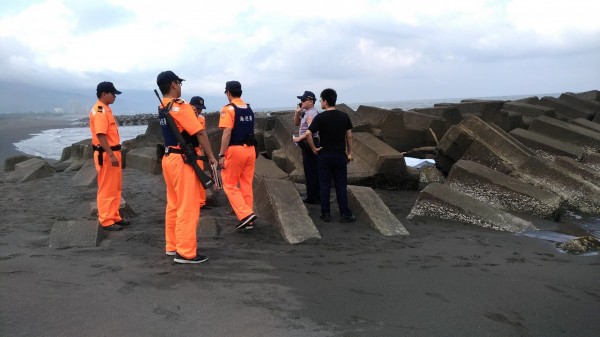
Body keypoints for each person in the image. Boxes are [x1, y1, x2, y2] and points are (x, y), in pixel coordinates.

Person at [157, 71, 217, 264]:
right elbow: (200, 134)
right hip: (182, 161)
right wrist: (211, 157)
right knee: (188, 206)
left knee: (173, 205)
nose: (180, 86)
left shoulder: (163, 106)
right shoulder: (180, 107)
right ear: (174, 84)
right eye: (179, 83)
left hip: (169, 158)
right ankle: (185, 252)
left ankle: (172, 245)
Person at [305, 88, 356, 223]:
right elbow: (349, 137)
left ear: (325, 102)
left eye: (321, 100)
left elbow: (308, 133)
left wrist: (314, 149)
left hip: (324, 155)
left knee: (324, 185)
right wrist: (349, 153)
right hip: (340, 156)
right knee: (341, 185)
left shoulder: (320, 117)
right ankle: (345, 214)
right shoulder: (344, 116)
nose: (321, 102)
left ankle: (325, 214)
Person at [89, 81, 129, 231]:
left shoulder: (105, 109)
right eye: (113, 94)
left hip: (112, 152)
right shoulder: (100, 111)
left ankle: (114, 216)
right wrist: (111, 155)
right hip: (107, 154)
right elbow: (101, 135)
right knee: (107, 188)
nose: (115, 97)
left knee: (115, 187)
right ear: (104, 94)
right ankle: (106, 220)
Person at [218, 81, 257, 230]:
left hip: (235, 150)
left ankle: (245, 214)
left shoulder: (228, 109)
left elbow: (227, 132)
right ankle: (249, 220)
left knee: (229, 184)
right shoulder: (249, 108)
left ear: (228, 92)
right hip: (251, 150)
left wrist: (221, 154)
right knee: (246, 184)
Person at [292, 90, 320, 205]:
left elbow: (311, 131)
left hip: (310, 143)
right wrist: (297, 112)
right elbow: (296, 124)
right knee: (310, 170)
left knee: (311, 171)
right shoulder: (306, 112)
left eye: (303, 100)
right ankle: (312, 195)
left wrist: (299, 139)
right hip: (307, 143)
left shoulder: (312, 113)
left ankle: (313, 197)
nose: (301, 102)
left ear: (310, 101)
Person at [190, 96, 209, 209]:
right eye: (197, 108)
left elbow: (203, 134)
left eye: (201, 108)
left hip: (198, 151)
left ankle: (201, 202)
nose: (199, 110)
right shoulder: (185, 116)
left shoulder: (202, 118)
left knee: (201, 176)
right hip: (186, 151)